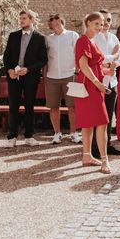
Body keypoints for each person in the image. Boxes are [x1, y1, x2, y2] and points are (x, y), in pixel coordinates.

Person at [2, 10, 48, 147]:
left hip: (30, 77)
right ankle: (12, 137)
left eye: (24, 18)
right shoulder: (13, 36)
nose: (21, 20)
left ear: (31, 20)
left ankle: (29, 136)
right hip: (14, 77)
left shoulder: (40, 38)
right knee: (13, 107)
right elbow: (6, 57)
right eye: (20, 18)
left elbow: (43, 60)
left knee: (29, 107)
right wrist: (9, 70)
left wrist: (28, 69)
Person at [74, 12, 111, 174]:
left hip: (93, 86)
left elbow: (93, 65)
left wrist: (107, 70)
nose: (100, 27)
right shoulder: (83, 40)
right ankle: (104, 161)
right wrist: (98, 83)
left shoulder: (91, 41)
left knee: (89, 124)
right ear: (88, 23)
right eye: (96, 23)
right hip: (90, 87)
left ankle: (86, 156)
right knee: (102, 123)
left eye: (101, 24)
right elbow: (83, 65)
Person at [91, 10, 120, 158]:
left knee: (109, 116)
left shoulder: (113, 38)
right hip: (98, 82)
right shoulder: (93, 38)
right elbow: (94, 59)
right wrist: (107, 66)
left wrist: (113, 65)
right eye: (103, 20)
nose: (106, 23)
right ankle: (95, 148)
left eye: (109, 20)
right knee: (97, 115)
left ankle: (107, 144)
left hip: (112, 81)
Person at [44, 15, 79, 145]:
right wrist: (45, 76)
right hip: (52, 77)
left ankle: (74, 133)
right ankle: (57, 133)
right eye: (54, 23)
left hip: (70, 75)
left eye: (59, 22)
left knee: (72, 107)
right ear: (51, 25)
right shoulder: (48, 39)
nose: (57, 25)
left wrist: (77, 71)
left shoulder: (72, 35)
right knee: (53, 107)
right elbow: (45, 58)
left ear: (62, 22)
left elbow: (78, 53)